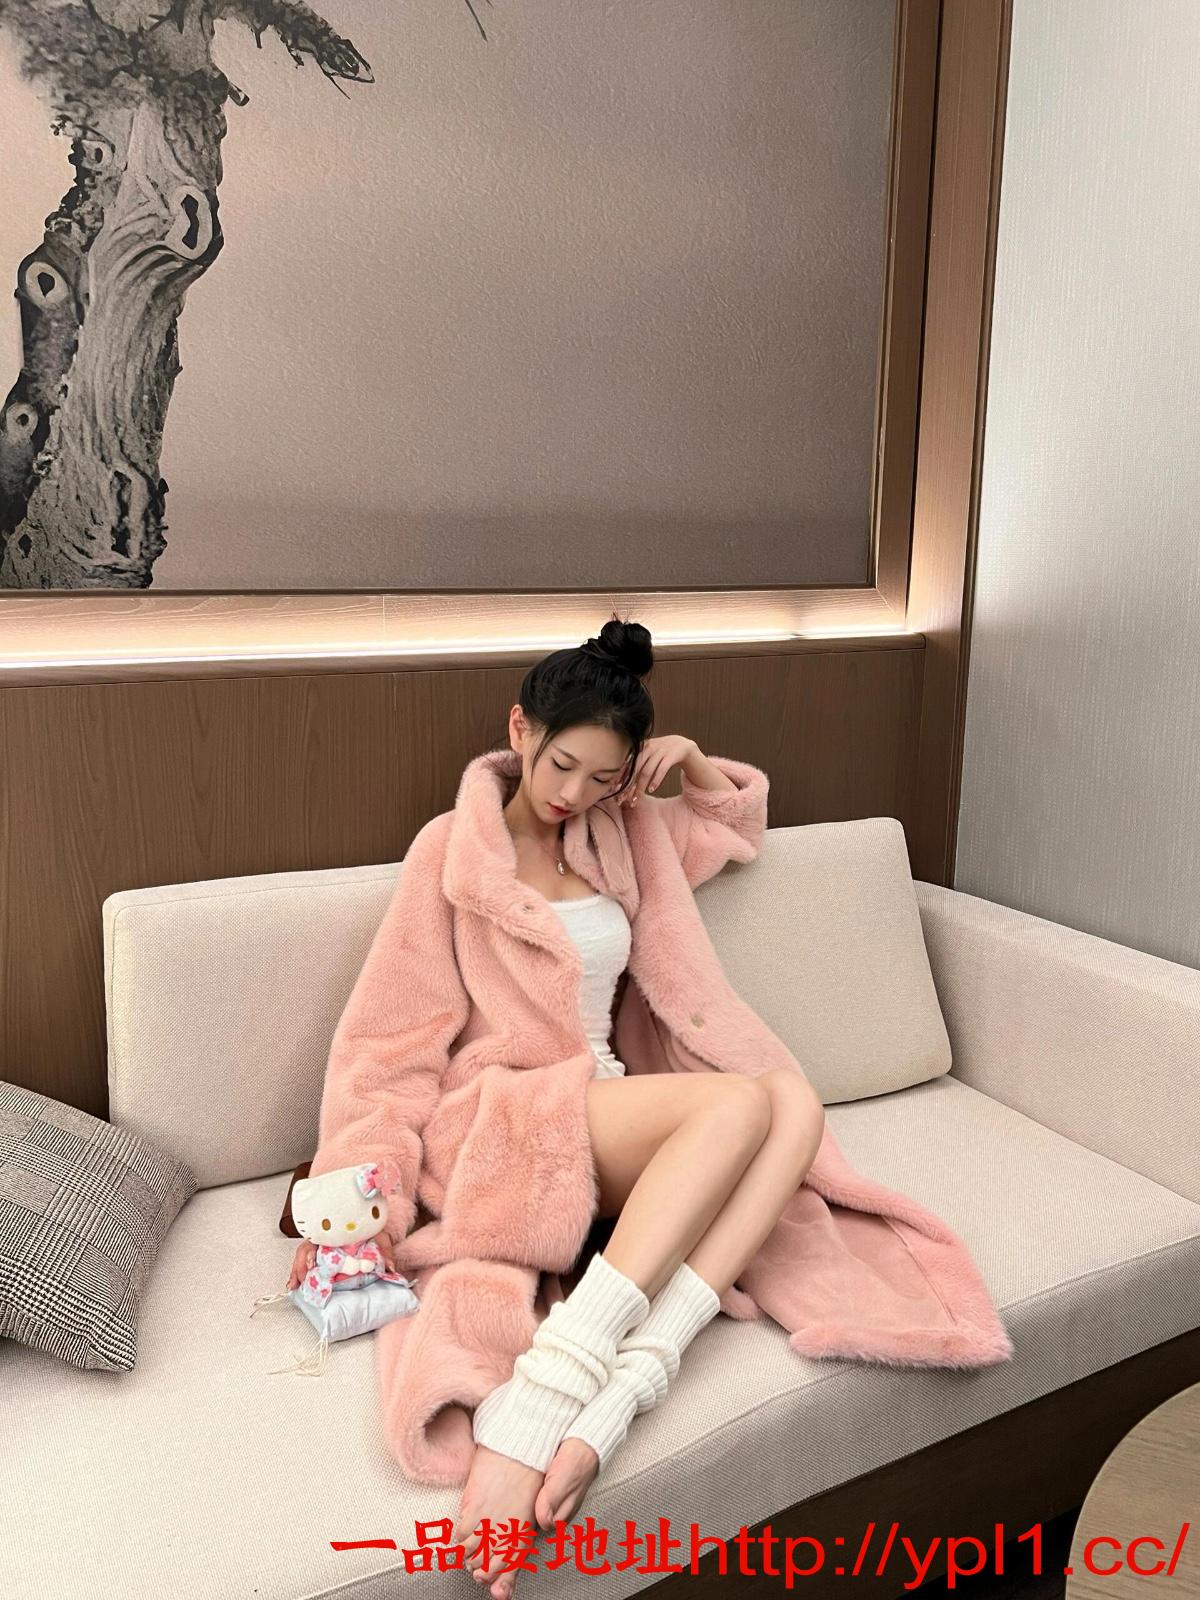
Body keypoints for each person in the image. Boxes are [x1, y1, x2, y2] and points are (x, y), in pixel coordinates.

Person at [289, 614, 825, 1600]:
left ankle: (629, 1381)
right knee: (734, 1110)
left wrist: (688, 762)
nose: (573, 792)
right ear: (520, 729)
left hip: (605, 1103)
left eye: (602, 777)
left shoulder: (621, 834)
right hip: (506, 1117)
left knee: (792, 1101)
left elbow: (734, 826)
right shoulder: (454, 851)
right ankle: (550, 1386)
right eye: (561, 764)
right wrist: (365, 1198)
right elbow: (388, 1044)